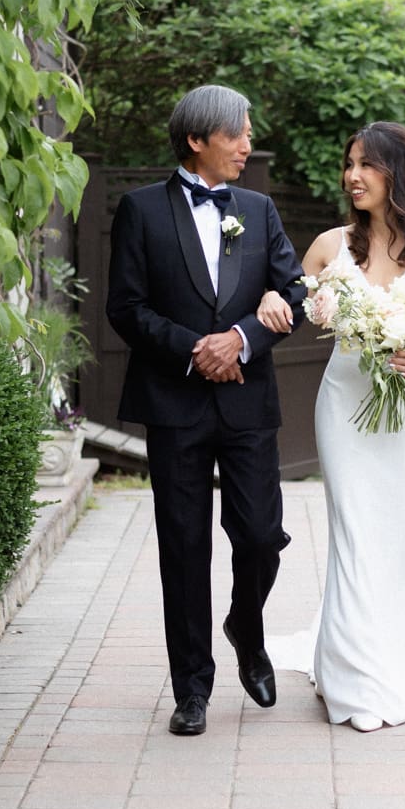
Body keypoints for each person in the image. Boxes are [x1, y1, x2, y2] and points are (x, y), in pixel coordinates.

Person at [258, 121, 405, 732]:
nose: (353, 176)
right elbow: (291, 303)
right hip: (345, 406)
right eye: (349, 165)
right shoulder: (329, 246)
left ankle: (396, 667)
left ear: (398, 173)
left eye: (366, 166)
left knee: (399, 535)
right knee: (354, 533)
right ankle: (352, 680)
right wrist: (273, 302)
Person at [106, 84, 306, 737]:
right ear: (197, 141)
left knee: (259, 536)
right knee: (184, 548)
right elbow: (126, 308)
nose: (248, 146)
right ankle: (192, 688)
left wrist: (246, 336)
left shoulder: (258, 208)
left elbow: (295, 292)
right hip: (175, 402)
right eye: (237, 135)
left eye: (248, 134)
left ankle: (246, 627)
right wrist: (198, 350)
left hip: (249, 403)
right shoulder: (140, 212)